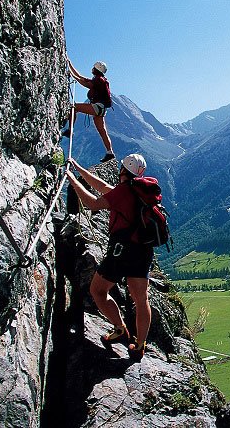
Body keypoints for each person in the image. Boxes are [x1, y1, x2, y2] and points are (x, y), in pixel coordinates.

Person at [67, 153, 152, 360]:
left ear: (123, 170)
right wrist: (78, 168)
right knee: (141, 300)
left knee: (98, 290)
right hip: (142, 251)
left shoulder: (123, 192)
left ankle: (120, 328)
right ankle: (140, 345)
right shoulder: (138, 191)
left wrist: (72, 180)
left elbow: (93, 204)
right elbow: (103, 187)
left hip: (121, 252)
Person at [67, 59, 115, 163]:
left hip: (97, 107)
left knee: (73, 107)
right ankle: (110, 152)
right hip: (101, 109)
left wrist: (71, 73)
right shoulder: (100, 79)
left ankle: (70, 130)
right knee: (102, 131)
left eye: (93, 68)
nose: (92, 69)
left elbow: (83, 82)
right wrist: (70, 65)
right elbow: (82, 78)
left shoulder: (98, 80)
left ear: (96, 69)